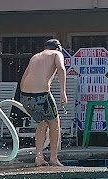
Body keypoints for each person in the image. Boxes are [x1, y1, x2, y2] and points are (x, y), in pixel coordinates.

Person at [19, 38, 68, 167]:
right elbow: (61, 69)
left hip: (24, 96)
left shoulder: (36, 56)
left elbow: (24, 77)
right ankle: (53, 158)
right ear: (57, 48)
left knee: (42, 123)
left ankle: (39, 157)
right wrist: (63, 92)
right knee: (54, 122)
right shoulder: (57, 54)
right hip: (40, 95)